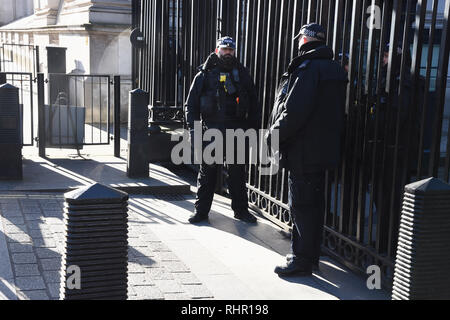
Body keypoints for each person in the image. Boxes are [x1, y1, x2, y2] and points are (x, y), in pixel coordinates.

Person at [265, 23, 348, 276]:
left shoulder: (307, 68)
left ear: (305, 40)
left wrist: (272, 136)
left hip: (303, 149)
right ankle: (310, 256)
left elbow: (295, 111)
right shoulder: (334, 68)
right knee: (314, 204)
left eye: (299, 38)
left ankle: (301, 260)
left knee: (301, 204)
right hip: (322, 149)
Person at [185, 36, 261, 224]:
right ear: (217, 49)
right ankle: (201, 212)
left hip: (237, 131)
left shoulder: (242, 74)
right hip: (211, 130)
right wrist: (194, 132)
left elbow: (253, 104)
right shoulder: (204, 74)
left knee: (237, 174)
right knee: (207, 173)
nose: (228, 53)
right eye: (225, 49)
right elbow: (191, 105)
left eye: (231, 50)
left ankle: (241, 211)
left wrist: (252, 130)